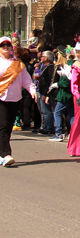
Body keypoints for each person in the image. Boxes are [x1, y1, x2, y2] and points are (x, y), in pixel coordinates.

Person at [0, 35, 37, 166]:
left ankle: (1, 153)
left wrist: (32, 90)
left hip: (15, 99)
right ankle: (6, 154)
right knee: (3, 126)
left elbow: (26, 80)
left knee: (8, 127)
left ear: (11, 47)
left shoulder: (18, 64)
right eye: (2, 45)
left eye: (7, 45)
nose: (5, 47)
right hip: (1, 99)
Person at [50, 50, 74, 142]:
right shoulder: (74, 65)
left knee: (57, 113)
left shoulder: (68, 66)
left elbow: (65, 82)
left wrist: (57, 84)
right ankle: (73, 133)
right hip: (71, 94)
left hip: (64, 95)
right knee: (72, 115)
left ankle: (59, 133)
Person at [37, 50, 57, 135]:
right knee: (43, 111)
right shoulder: (45, 67)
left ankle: (49, 128)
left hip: (45, 92)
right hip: (41, 91)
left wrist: (46, 94)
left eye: (42, 56)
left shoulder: (50, 67)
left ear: (47, 58)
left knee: (46, 111)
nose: (41, 58)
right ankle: (45, 126)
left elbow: (49, 81)